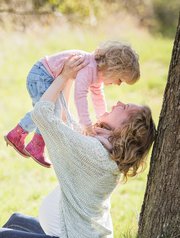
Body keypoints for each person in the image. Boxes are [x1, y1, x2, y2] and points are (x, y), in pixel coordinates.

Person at [0, 55, 156, 238]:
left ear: (126, 129)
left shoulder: (95, 154)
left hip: (69, 235)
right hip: (74, 231)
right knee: (16, 220)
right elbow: (64, 121)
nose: (119, 103)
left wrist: (63, 77)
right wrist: (71, 77)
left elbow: (42, 114)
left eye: (125, 107)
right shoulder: (105, 148)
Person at [4, 41, 140, 168]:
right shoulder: (89, 67)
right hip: (41, 75)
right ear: (114, 69)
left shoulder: (96, 73)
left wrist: (102, 117)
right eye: (120, 80)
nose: (118, 84)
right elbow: (80, 95)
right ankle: (27, 139)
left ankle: (28, 140)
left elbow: (98, 96)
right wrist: (86, 123)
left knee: (48, 111)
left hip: (44, 76)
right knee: (47, 111)